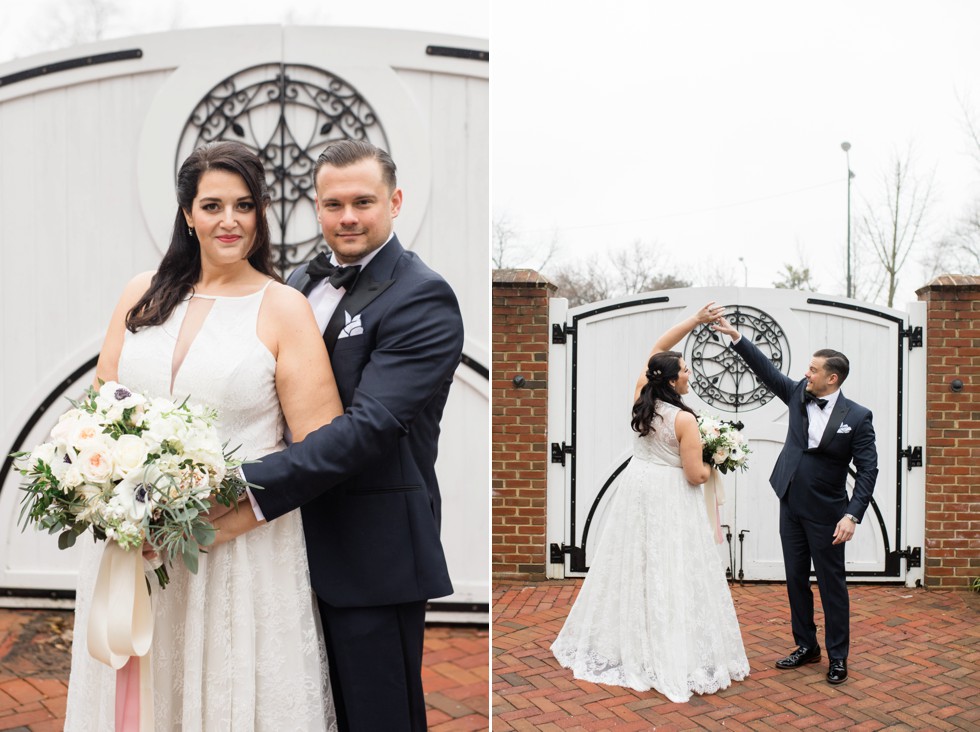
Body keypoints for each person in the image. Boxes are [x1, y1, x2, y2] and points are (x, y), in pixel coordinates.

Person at [64, 141, 342, 730]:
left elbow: (320, 448)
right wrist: (108, 494)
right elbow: (99, 404)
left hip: (237, 552)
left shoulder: (284, 308)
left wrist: (211, 524)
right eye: (212, 205)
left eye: (244, 205)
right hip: (133, 546)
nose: (229, 221)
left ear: (261, 212)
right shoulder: (142, 291)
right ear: (187, 213)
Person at [211, 139, 464, 732]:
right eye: (333, 204)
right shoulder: (300, 279)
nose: (347, 217)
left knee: (377, 717)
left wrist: (243, 484)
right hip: (290, 548)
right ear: (316, 208)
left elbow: (369, 427)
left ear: (395, 201)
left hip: (372, 550)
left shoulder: (422, 296)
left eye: (363, 201)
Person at [551, 303, 749, 704]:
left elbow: (658, 347)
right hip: (671, 498)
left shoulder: (642, 396)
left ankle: (632, 640)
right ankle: (670, 648)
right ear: (674, 381)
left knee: (637, 564)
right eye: (686, 370)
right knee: (673, 565)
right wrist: (717, 458)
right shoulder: (684, 420)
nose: (690, 374)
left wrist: (694, 320)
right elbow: (695, 476)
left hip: (637, 491)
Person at [711, 316, 878, 685]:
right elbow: (766, 371)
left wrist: (852, 515)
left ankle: (838, 656)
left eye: (814, 369)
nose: (807, 373)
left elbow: (868, 470)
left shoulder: (859, 417)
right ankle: (806, 645)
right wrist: (738, 338)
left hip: (829, 512)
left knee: (832, 585)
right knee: (795, 579)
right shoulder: (798, 394)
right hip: (790, 502)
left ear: (832, 378)